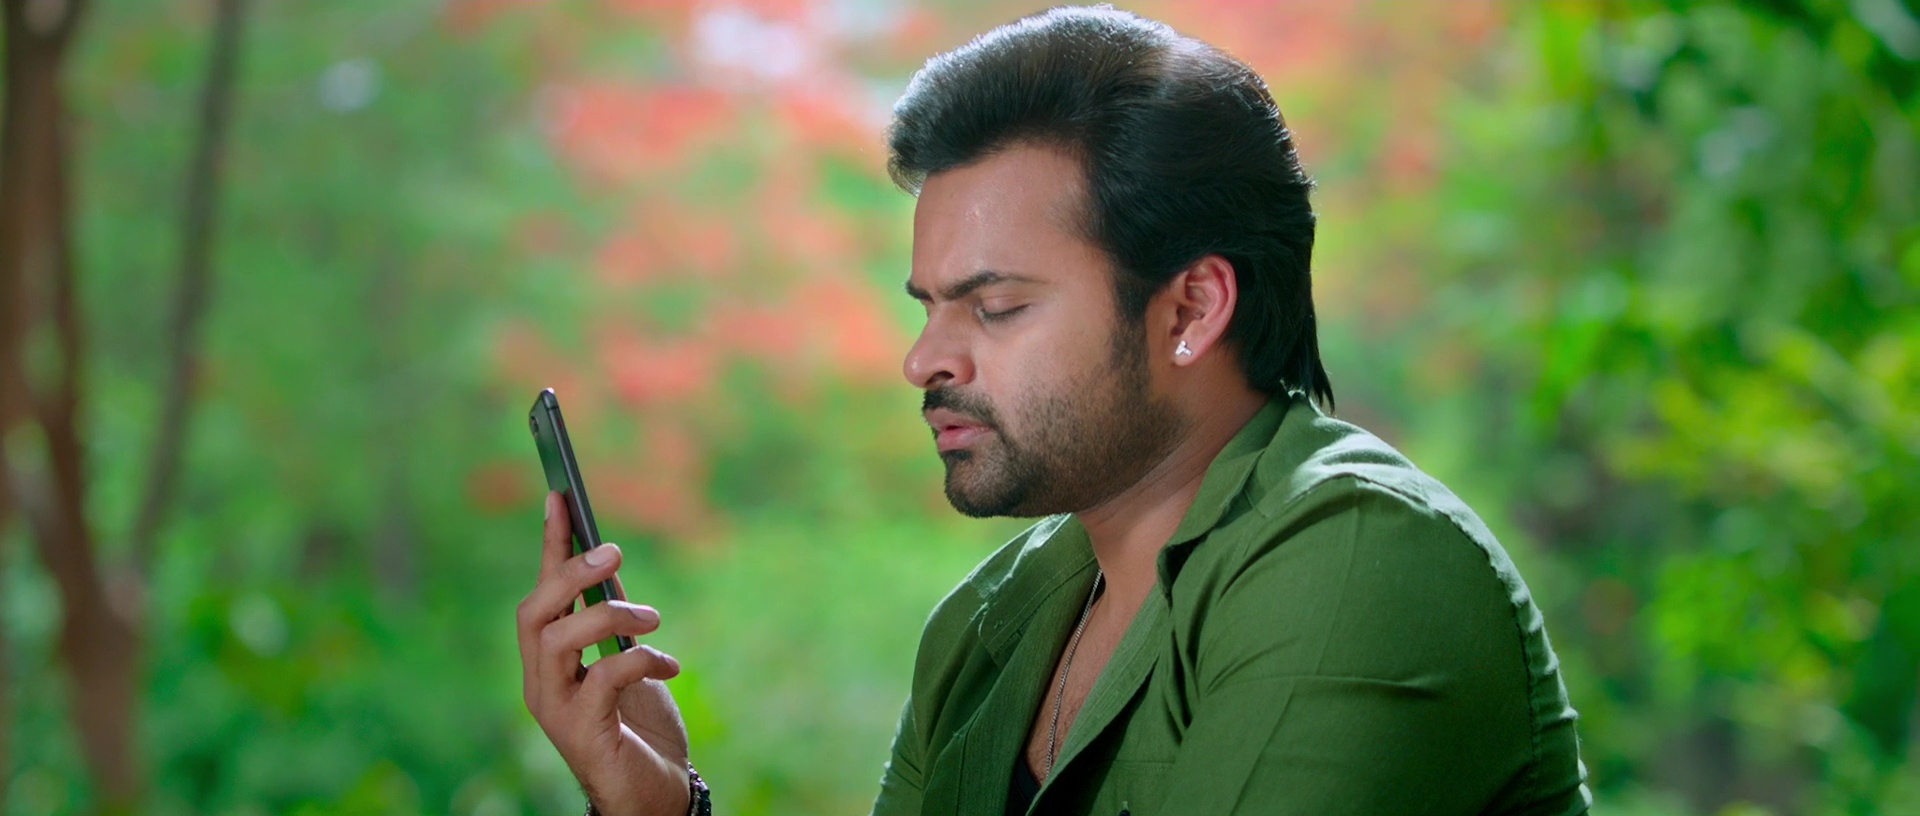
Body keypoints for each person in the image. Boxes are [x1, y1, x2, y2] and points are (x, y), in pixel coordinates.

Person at [516, 6, 1592, 815]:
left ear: (1191, 307)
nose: (924, 360)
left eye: (995, 306)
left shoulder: (1356, 559)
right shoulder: (992, 625)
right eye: (929, 307)